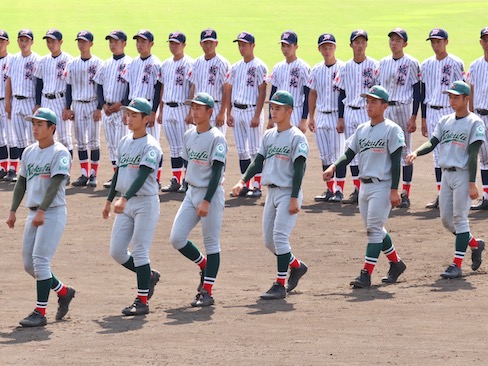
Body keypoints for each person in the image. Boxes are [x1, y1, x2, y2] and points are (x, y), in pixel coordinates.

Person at [323, 85, 407, 288]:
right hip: (365, 187)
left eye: (374, 102)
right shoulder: (362, 129)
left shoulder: (392, 130)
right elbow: (350, 153)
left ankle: (365, 274)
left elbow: (397, 162)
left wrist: (395, 189)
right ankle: (396, 264)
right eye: (367, 101)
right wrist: (334, 167)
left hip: (383, 186)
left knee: (373, 230)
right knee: (376, 229)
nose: (369, 105)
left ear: (384, 106)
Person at [232, 90, 308, 299]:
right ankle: (296, 266)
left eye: (278, 108)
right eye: (272, 108)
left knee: (280, 238)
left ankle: (280, 284)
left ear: (289, 111)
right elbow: (257, 161)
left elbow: (300, 169)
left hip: (288, 193)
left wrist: (294, 197)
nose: (273, 111)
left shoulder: (297, 137)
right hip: (271, 193)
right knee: (269, 241)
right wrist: (242, 181)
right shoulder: (269, 136)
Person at [406, 81, 485, 278]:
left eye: (456, 97)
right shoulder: (445, 120)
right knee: (446, 220)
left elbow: (474, 153)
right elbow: (433, 143)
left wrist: (472, 183)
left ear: (467, 99)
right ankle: (475, 245)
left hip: (463, 175)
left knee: (459, 218)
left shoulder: (475, 122)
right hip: (447, 175)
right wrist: (416, 152)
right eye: (450, 96)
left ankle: (456, 265)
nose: (451, 100)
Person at [6, 107, 75, 327]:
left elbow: (56, 183)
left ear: (52, 128)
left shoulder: (60, 152)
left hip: (52, 212)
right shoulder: (28, 152)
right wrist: (13, 210)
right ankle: (64, 292)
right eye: (33, 124)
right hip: (33, 212)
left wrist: (43, 210)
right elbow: (22, 182)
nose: (34, 128)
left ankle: (40, 312)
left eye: (39, 124)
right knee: (29, 265)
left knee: (41, 261)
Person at [102, 98, 162, 316]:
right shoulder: (124, 141)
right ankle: (149, 276)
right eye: (128, 114)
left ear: (146, 119)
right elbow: (118, 173)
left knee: (139, 250)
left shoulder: (151, 146)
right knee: (117, 251)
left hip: (145, 202)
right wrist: (109, 200)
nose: (129, 118)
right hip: (124, 202)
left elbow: (143, 175)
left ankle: (142, 300)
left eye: (135, 115)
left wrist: (124, 198)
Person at [169, 92, 227, 307]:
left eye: (198, 108)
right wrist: (186, 187)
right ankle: (204, 264)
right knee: (177, 238)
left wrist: (207, 200)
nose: (194, 111)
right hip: (191, 192)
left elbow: (216, 172)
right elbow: (188, 162)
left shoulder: (217, 138)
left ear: (210, 112)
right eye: (192, 107)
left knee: (211, 242)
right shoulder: (189, 134)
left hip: (209, 194)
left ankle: (207, 291)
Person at [420, 28, 465, 209]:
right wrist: (423, 118)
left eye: (438, 41)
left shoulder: (456, 62)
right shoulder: (426, 64)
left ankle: (456, 194)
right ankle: (442, 196)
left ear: (446, 42)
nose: (435, 45)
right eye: (433, 41)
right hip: (431, 111)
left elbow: (462, 91)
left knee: (453, 153)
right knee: (437, 156)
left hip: (449, 111)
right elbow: (423, 93)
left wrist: (462, 116)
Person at [377, 28, 421, 208]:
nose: (394, 43)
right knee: (385, 150)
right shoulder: (383, 63)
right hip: (386, 109)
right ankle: (388, 190)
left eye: (398, 40)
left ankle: (406, 193)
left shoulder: (411, 62)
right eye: (392, 39)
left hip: (403, 109)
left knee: (405, 151)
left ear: (405, 44)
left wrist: (413, 116)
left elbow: (418, 91)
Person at [335, 29, 379, 204]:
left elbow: (379, 93)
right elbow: (341, 93)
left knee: (368, 150)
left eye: (363, 42)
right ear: (351, 45)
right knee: (351, 151)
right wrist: (340, 117)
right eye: (356, 42)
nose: (360, 45)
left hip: (366, 112)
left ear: (366, 44)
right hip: (349, 111)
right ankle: (357, 189)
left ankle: (371, 188)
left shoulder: (375, 66)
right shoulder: (344, 67)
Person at [227, 31, 268, 198]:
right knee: (242, 152)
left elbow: (262, 92)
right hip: (237, 111)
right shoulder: (235, 67)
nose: (241, 47)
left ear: (253, 46)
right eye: (239, 45)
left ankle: (257, 186)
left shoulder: (260, 66)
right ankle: (245, 184)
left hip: (252, 110)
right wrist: (229, 112)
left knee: (254, 151)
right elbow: (230, 89)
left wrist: (257, 115)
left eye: (244, 44)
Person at [308, 33, 346, 203]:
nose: (327, 49)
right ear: (319, 49)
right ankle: (330, 189)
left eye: (330, 46)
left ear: (335, 48)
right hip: (321, 116)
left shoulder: (343, 68)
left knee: (338, 156)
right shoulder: (316, 69)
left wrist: (341, 117)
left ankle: (340, 190)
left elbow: (345, 93)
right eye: (324, 46)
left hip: (336, 116)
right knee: (325, 156)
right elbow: (312, 93)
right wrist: (311, 116)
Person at [122, 30, 163, 184]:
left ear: (151, 44)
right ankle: (136, 177)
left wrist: (153, 111)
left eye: (143, 41)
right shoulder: (132, 63)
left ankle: (156, 179)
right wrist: (126, 110)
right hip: (133, 108)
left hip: (147, 108)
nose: (139, 45)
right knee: (135, 143)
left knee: (153, 144)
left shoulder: (156, 63)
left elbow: (159, 88)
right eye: (138, 41)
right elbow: (127, 86)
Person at [64, 31, 103, 187]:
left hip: (93, 104)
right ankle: (84, 174)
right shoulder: (72, 64)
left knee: (94, 142)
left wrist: (99, 107)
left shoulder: (99, 63)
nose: (81, 44)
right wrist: (68, 107)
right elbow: (68, 87)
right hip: (78, 105)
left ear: (91, 44)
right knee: (80, 142)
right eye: (79, 41)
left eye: (85, 41)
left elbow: (101, 87)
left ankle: (93, 175)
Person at [93, 30, 131, 189]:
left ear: (124, 43)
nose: (112, 44)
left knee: (121, 143)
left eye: (116, 41)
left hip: (121, 110)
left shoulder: (130, 63)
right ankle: (117, 176)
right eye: (111, 41)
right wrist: (103, 104)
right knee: (111, 145)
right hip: (107, 110)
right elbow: (99, 85)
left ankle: (124, 176)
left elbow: (131, 86)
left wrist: (122, 103)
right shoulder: (105, 64)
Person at [159, 32, 194, 193]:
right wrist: (161, 110)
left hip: (182, 108)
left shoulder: (190, 63)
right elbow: (163, 87)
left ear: (184, 45)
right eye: (171, 43)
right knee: (173, 148)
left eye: (176, 43)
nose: (173, 46)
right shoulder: (165, 64)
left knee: (185, 147)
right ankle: (176, 179)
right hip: (168, 108)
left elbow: (193, 86)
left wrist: (191, 110)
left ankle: (188, 179)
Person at [5, 30, 41, 183]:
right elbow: (9, 81)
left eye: (26, 40)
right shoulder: (13, 59)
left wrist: (38, 104)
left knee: (34, 140)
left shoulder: (37, 60)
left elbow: (40, 83)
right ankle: (24, 170)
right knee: (19, 140)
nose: (23, 42)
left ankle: (37, 169)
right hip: (17, 102)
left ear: (31, 42)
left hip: (30, 102)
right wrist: (8, 101)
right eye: (21, 39)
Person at [34, 29, 74, 161]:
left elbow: (70, 85)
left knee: (64, 138)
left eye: (53, 41)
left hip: (60, 100)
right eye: (48, 42)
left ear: (61, 42)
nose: (50, 44)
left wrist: (68, 106)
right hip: (46, 100)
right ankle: (49, 166)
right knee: (46, 136)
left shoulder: (68, 60)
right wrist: (38, 104)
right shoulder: (43, 60)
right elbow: (39, 83)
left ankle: (65, 169)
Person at [188, 28, 231, 136]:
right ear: (200, 44)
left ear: (216, 43)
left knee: (216, 143)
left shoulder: (222, 63)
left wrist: (222, 113)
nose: (208, 46)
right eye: (205, 43)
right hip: (199, 108)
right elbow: (193, 86)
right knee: (200, 143)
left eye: (211, 42)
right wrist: (191, 111)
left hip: (216, 107)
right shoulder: (196, 62)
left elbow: (226, 89)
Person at [269, 30, 310, 133]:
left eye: (288, 46)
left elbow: (308, 94)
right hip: (278, 111)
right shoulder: (277, 67)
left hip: (296, 111)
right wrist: (270, 118)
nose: (285, 49)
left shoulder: (303, 67)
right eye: (283, 46)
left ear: (296, 47)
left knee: (294, 145)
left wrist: (304, 119)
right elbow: (273, 93)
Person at [468, 27, 488, 210]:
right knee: (483, 157)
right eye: (485, 39)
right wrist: (471, 115)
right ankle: (487, 197)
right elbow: (472, 92)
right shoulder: (474, 65)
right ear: (481, 42)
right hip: (480, 116)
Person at [0, 30, 12, 180]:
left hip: (7, 101)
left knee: (11, 136)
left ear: (8, 42)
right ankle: (3, 166)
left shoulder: (12, 60)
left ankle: (13, 169)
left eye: (2, 40)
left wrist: (9, 102)